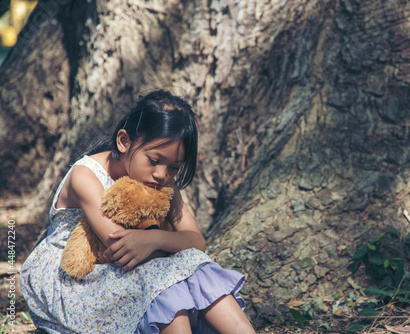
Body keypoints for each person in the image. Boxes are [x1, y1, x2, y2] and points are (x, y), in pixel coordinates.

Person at [20, 90, 256, 334]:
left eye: (174, 167)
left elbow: (196, 241)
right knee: (164, 278)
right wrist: (169, 244)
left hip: (135, 269)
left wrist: (154, 238)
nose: (162, 174)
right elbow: (122, 248)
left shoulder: (161, 179)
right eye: (154, 160)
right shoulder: (85, 176)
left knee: (194, 264)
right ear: (124, 142)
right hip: (76, 280)